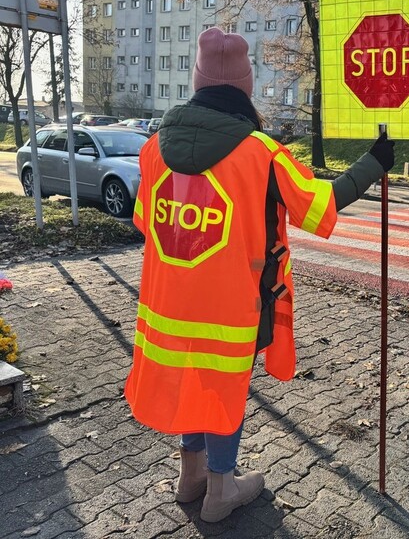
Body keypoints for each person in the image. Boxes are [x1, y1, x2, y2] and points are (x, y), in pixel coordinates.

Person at [124, 27, 394, 523]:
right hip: (230, 312)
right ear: (245, 88)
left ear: (197, 83)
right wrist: (373, 163)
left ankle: (191, 478)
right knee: (223, 390)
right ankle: (220, 491)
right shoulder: (262, 154)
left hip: (166, 311)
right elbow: (320, 206)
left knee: (191, 382)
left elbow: (145, 221)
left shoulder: (153, 148)